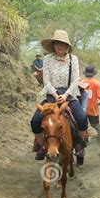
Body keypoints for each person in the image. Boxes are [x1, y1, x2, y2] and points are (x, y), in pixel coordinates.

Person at [30, 30, 88, 160]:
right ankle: (42, 146)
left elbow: (76, 79)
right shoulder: (47, 59)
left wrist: (66, 95)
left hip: (69, 95)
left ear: (67, 46)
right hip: (52, 96)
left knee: (82, 119)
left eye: (62, 44)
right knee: (35, 121)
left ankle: (79, 146)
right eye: (57, 43)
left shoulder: (73, 59)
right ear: (53, 45)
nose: (60, 46)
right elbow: (46, 80)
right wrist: (56, 95)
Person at [82, 65, 100, 142]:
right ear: (94, 74)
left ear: (85, 74)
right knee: (96, 124)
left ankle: (85, 140)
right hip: (92, 108)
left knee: (83, 125)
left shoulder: (82, 82)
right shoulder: (96, 83)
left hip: (83, 108)